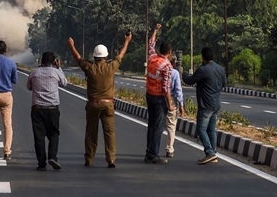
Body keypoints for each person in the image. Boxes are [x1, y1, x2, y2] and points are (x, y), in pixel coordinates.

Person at [67, 32, 131, 168]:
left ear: (94, 57)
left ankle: (89, 159)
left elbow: (78, 58)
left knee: (91, 133)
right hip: (108, 105)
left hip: (93, 104)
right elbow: (121, 55)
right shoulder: (111, 67)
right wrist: (127, 41)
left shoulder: (89, 68)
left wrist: (72, 46)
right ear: (106, 56)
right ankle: (111, 159)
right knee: (109, 133)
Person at [182, 46, 226, 165]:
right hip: (216, 104)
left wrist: (183, 73)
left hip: (205, 105)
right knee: (211, 130)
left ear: (203, 57)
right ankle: (213, 153)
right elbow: (224, 84)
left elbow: (190, 81)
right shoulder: (221, 69)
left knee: (201, 129)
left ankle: (209, 152)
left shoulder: (203, 69)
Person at [27, 51, 67, 171]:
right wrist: (59, 68)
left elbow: (29, 87)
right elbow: (64, 83)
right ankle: (52, 157)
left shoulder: (34, 73)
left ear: (41, 61)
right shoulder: (56, 72)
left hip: (37, 108)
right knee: (53, 133)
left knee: (39, 137)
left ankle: (41, 163)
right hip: (52, 108)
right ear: (54, 61)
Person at [144, 23, 174, 164]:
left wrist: (155, 30)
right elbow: (166, 87)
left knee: (151, 124)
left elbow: (150, 44)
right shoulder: (167, 66)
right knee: (158, 126)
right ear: (169, 52)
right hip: (158, 99)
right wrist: (170, 104)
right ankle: (153, 154)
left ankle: (148, 152)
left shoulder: (152, 58)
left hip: (149, 95)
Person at [164, 55, 185, 158]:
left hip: (159, 98)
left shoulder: (161, 71)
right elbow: (178, 90)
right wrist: (181, 105)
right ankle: (169, 149)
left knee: (157, 125)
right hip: (171, 99)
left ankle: (152, 149)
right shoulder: (175, 73)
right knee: (171, 126)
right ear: (175, 63)